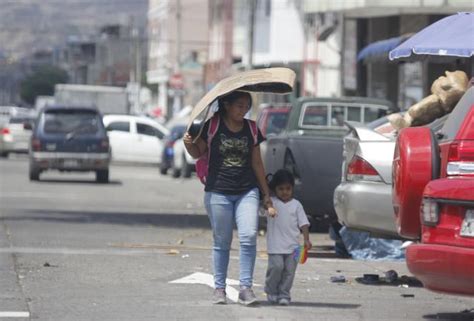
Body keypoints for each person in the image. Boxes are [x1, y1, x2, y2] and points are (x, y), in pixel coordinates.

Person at [183, 91, 273, 306]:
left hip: (247, 191)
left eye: (246, 107)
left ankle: (245, 288)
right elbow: (197, 153)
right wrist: (188, 143)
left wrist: (266, 194)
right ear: (227, 105)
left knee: (249, 236)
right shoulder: (212, 126)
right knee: (222, 242)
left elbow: (257, 163)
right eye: (239, 106)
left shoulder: (251, 129)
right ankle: (219, 289)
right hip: (218, 192)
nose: (243, 111)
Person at [264, 169, 312, 306]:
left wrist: (306, 240)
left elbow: (304, 224)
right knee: (276, 267)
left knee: (290, 272)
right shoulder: (271, 203)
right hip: (275, 246)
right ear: (275, 189)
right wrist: (269, 207)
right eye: (281, 189)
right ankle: (271, 290)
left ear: (292, 188)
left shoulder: (297, 205)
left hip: (294, 247)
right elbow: (265, 202)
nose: (285, 192)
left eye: (288, 188)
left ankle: (284, 294)